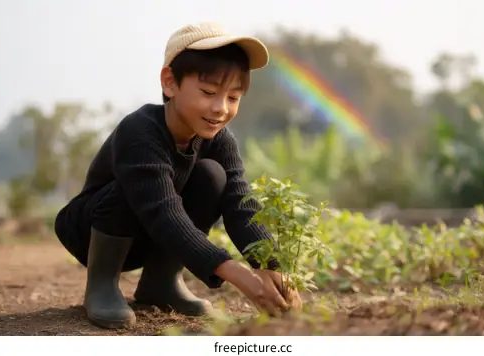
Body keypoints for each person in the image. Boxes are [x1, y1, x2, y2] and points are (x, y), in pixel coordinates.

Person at [54, 22, 303, 329]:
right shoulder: (140, 131)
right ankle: (101, 284)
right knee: (129, 190)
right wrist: (238, 274)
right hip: (92, 230)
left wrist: (271, 266)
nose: (220, 108)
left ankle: (161, 283)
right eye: (208, 92)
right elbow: (164, 213)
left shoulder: (220, 140)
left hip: (156, 235)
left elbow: (240, 204)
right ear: (170, 83)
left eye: (233, 97)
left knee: (213, 175)